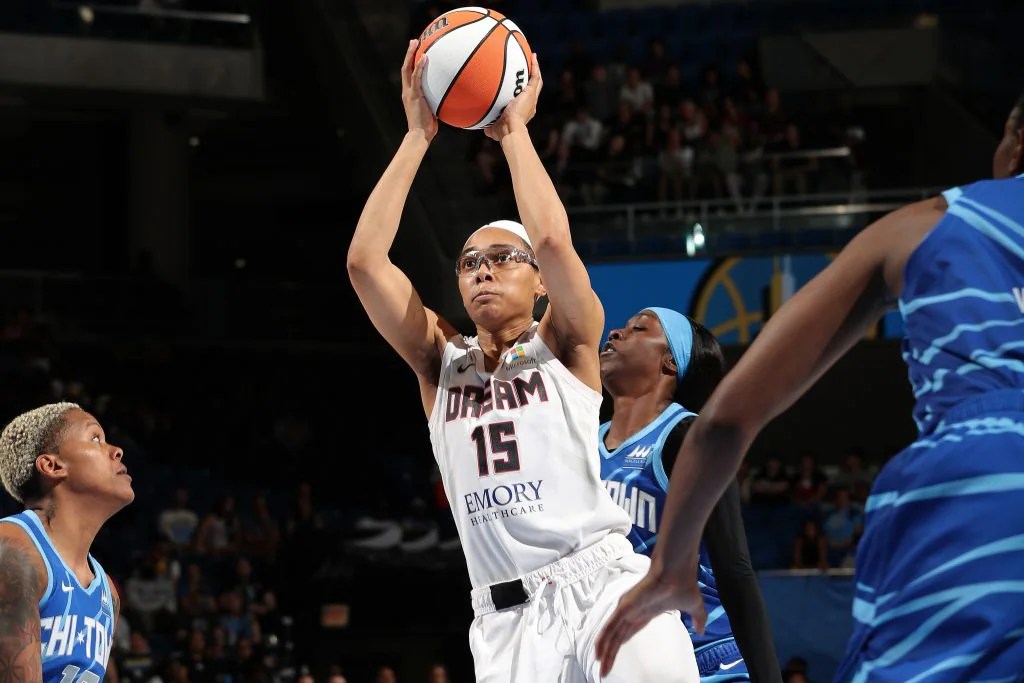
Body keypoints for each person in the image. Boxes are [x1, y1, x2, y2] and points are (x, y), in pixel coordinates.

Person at [596, 95, 1024, 680]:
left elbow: (727, 422)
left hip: (984, 474)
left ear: (1016, 140)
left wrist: (672, 564)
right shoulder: (589, 437)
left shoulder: (937, 221)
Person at [347, 40, 699, 682]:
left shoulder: (566, 343)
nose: (484, 269)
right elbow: (365, 264)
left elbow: (552, 240)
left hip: (603, 588)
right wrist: (417, 136)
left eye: (503, 258)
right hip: (506, 624)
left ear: (539, 282)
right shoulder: (439, 364)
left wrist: (513, 132)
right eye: (470, 263)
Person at [599, 307, 781, 682]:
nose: (616, 332)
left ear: (669, 362)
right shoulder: (583, 440)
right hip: (622, 657)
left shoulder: (686, 437)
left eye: (638, 329)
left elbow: (735, 568)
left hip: (704, 652)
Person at [0, 402, 133, 682]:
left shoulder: (108, 594)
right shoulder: (12, 551)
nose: (116, 450)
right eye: (95, 438)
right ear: (52, 465)